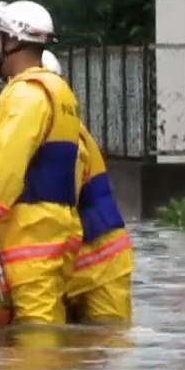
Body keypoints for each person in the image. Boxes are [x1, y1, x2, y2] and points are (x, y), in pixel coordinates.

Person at [0, 0, 84, 326]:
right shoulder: (59, 92)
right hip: (57, 224)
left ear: (12, 41)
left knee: (36, 329)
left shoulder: (26, 94)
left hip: (32, 229)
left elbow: (6, 169)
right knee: (49, 320)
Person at [40, 51, 133, 324]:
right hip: (79, 260)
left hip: (101, 262)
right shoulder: (59, 131)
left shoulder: (67, 137)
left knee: (108, 337)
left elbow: (63, 201)